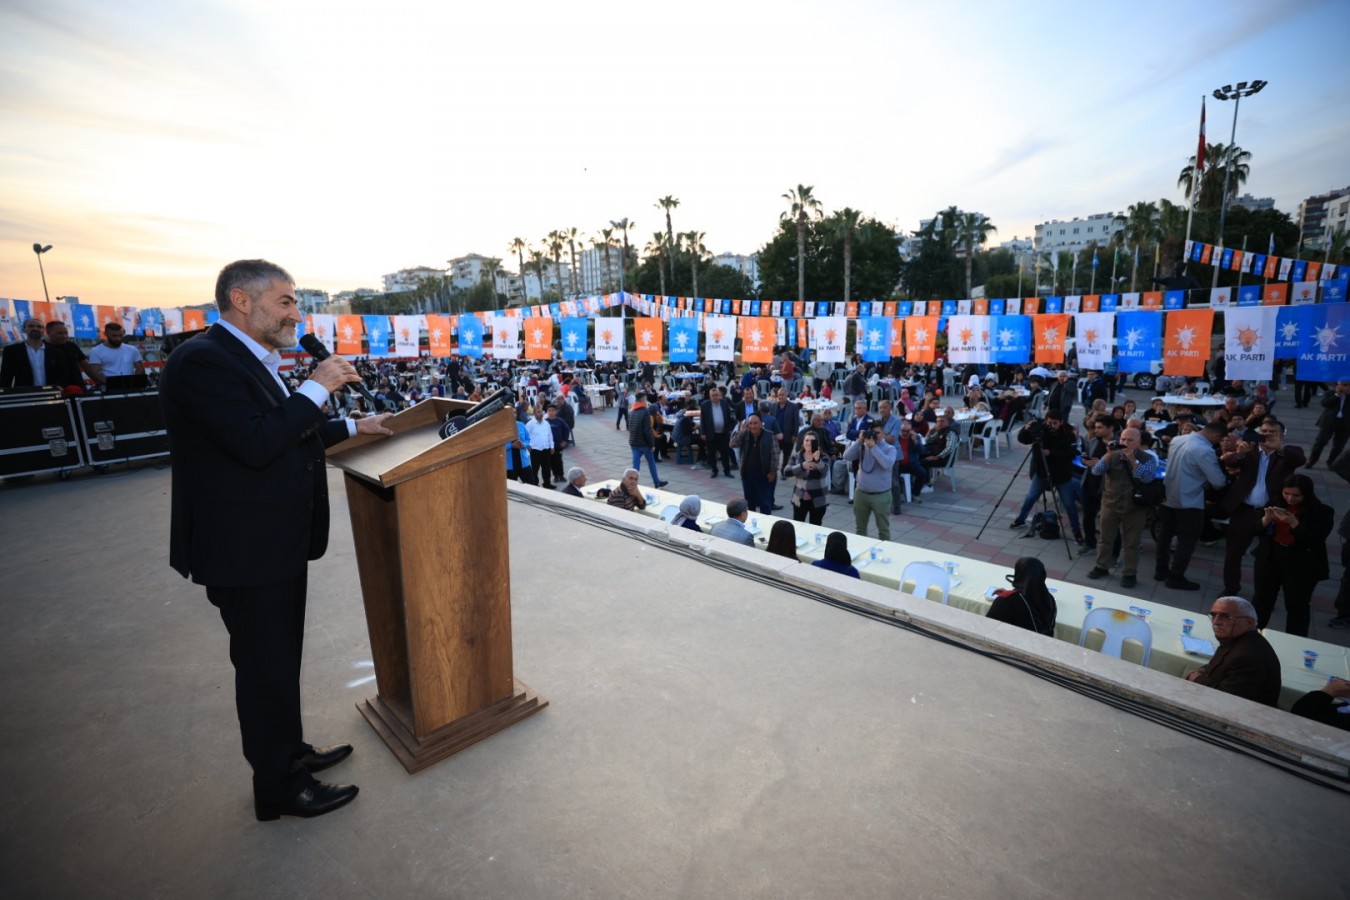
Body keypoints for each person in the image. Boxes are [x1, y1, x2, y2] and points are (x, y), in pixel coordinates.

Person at [161, 259, 394, 821]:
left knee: (279, 661)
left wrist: (350, 426)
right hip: (244, 550)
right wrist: (317, 386)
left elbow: (287, 429)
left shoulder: (247, 357)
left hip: (273, 544)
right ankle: (279, 789)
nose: (296, 314)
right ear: (242, 301)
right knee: (264, 671)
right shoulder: (202, 361)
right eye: (286, 302)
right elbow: (256, 442)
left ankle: (289, 753)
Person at [1218, 417, 1306, 597]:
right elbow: (1230, 463)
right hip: (1244, 510)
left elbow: (1299, 460)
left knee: (1268, 557)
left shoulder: (1287, 452)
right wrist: (1240, 453)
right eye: (1264, 431)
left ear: (1281, 435)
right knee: (1233, 554)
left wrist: (1279, 448)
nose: (1267, 435)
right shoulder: (1250, 450)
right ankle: (1231, 589)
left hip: (1272, 512)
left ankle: (1264, 594)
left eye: (1273, 432)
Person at [1252, 473, 1333, 637]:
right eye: (1286, 493)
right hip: (1271, 556)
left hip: (1301, 562)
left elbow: (1314, 540)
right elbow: (1255, 530)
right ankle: (1252, 636)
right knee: (1262, 600)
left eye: (1296, 495)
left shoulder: (1322, 512)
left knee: (1297, 605)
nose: (1290, 498)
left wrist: (1294, 523)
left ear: (1306, 494)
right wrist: (1266, 519)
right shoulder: (1276, 503)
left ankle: (1295, 641)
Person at [1155, 421, 1229, 590]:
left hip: (1168, 495)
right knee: (1187, 540)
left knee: (1165, 534)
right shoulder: (1205, 450)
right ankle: (1176, 576)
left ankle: (1161, 570)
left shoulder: (1177, 439)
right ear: (1216, 436)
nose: (1217, 443)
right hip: (1189, 501)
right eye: (1219, 440)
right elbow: (1218, 481)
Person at [1085, 427, 1158, 588]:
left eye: (1130, 440)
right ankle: (1101, 566)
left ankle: (1129, 573)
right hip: (1110, 503)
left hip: (1135, 507)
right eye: (1123, 439)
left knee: (1131, 543)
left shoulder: (1148, 458)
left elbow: (1147, 478)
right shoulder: (1112, 455)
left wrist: (1132, 460)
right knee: (1105, 538)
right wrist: (1108, 455)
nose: (1125, 443)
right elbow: (1096, 472)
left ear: (1139, 442)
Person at [1184, 596, 1281, 707]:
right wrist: (1202, 670)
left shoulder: (1247, 658)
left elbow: (1227, 699)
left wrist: (1196, 678)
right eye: (1213, 615)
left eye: (1226, 617)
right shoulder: (1237, 638)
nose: (1216, 622)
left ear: (1249, 622)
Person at [1009, 410, 1082, 541]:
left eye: (1055, 423)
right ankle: (1021, 519)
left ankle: (1076, 531)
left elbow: (1071, 454)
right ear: (1045, 421)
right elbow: (1023, 440)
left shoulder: (1068, 434)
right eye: (1049, 423)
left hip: (1062, 474)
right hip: (1042, 471)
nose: (1051, 426)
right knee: (1031, 497)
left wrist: (1051, 453)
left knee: (1069, 503)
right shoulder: (1040, 430)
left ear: (1061, 422)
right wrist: (1026, 429)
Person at [843, 421, 897, 540]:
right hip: (861, 493)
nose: (874, 435)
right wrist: (859, 441)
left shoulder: (890, 448)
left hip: (881, 495)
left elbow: (887, 464)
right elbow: (846, 456)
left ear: (884, 433)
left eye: (877, 433)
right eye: (872, 432)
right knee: (860, 529)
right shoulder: (863, 446)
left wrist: (873, 447)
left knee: (883, 530)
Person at [987, 557, 1057, 636]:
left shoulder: (1005, 601)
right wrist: (1012, 594)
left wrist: (1008, 596)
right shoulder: (1050, 599)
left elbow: (987, 627)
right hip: (1044, 641)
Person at [729, 414, 780, 515]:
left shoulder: (769, 435)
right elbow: (732, 444)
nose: (753, 426)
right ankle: (752, 521)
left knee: (765, 502)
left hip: (764, 474)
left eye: (755, 423)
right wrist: (741, 431)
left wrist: (772, 472)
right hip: (747, 474)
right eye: (750, 423)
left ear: (761, 424)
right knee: (749, 502)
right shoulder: (745, 434)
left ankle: (766, 521)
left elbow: (775, 455)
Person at [1079, 416, 1116, 553]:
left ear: (1110, 428)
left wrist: (1100, 463)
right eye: (1095, 427)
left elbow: (1120, 467)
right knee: (1088, 517)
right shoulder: (1094, 441)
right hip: (1089, 484)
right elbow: (1087, 456)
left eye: (1100, 428)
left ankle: (1113, 550)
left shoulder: (1117, 444)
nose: (1096, 430)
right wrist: (1085, 461)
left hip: (1107, 488)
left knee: (1109, 520)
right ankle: (1089, 543)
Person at [784, 429, 829, 525]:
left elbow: (825, 470)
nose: (809, 443)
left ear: (817, 443)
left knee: (815, 525)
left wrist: (818, 461)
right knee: (798, 525)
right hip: (799, 497)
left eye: (812, 441)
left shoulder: (823, 456)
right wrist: (801, 466)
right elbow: (786, 472)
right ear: (803, 442)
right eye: (807, 440)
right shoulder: (797, 456)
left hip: (818, 498)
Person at [627, 391, 668, 488]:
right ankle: (657, 482)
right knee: (651, 463)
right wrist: (652, 444)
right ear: (642, 400)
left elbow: (630, 427)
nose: (646, 401)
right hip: (644, 443)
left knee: (636, 465)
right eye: (645, 399)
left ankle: (632, 484)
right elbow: (648, 430)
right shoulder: (645, 411)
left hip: (634, 442)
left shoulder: (631, 411)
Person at [0, 317, 54, 387]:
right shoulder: (12, 351)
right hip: (24, 391)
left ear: (44, 330)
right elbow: (6, 376)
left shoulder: (54, 351)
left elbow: (61, 373)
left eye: (39, 327)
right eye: (31, 326)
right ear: (24, 329)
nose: (35, 328)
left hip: (50, 391)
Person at [1307, 381, 1350, 468]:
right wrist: (1337, 395)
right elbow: (1325, 403)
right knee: (1320, 442)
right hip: (1329, 422)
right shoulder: (1330, 393)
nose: (1343, 387)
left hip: (1345, 423)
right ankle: (1312, 461)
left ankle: (1331, 462)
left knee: (1339, 446)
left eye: (1346, 385)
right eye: (1341, 384)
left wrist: (1348, 394)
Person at [700, 385, 737, 477]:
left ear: (719, 395)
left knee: (725, 453)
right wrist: (703, 433)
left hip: (723, 433)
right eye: (713, 395)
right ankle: (714, 471)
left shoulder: (724, 403)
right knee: (712, 454)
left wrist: (730, 428)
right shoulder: (705, 405)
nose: (715, 397)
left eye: (716, 395)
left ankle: (727, 471)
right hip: (711, 433)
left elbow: (729, 416)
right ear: (710, 396)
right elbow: (702, 420)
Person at [524, 405, 555, 489]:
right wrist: (527, 445)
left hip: (545, 449)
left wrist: (552, 446)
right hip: (535, 450)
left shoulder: (546, 423)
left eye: (541, 412)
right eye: (538, 412)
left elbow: (550, 435)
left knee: (546, 468)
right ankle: (535, 484)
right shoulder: (530, 424)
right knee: (535, 469)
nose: (540, 413)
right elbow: (525, 436)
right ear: (534, 413)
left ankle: (547, 483)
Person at [505, 418, 532, 483]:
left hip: (524, 463)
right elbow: (499, 446)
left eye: (514, 413)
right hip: (509, 466)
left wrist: (523, 444)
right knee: (511, 488)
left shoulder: (521, 425)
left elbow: (528, 439)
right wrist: (511, 445)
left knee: (531, 484)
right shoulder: (501, 427)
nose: (513, 414)